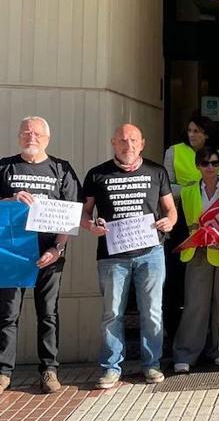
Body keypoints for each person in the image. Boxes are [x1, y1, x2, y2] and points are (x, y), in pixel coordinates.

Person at [82, 124, 177, 389]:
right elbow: (84, 213)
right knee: (112, 313)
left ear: (142, 143)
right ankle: (111, 368)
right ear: (113, 142)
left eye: (134, 140)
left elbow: (170, 210)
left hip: (152, 253)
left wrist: (168, 222)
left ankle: (152, 365)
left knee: (152, 312)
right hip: (113, 256)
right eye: (123, 141)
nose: (128, 145)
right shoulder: (97, 174)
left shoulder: (157, 171)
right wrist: (91, 226)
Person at [0, 117, 81, 393]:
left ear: (47, 138)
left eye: (36, 134)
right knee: (8, 315)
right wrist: (9, 200)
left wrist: (56, 248)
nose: (30, 137)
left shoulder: (61, 169)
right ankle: (3, 372)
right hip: (13, 255)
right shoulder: (4, 167)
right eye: (25, 133)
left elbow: (71, 214)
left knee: (48, 313)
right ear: (18, 137)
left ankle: (49, 370)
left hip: (49, 255)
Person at [173, 145, 219, 374]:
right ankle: (186, 352)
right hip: (197, 250)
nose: (210, 167)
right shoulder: (188, 192)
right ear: (197, 166)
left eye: (215, 163)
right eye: (205, 163)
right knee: (195, 305)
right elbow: (180, 224)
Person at [164, 116, 219, 199]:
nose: (191, 135)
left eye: (196, 131)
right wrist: (189, 189)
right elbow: (166, 187)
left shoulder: (218, 154)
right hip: (184, 204)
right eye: (189, 131)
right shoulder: (173, 151)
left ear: (207, 135)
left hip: (212, 206)